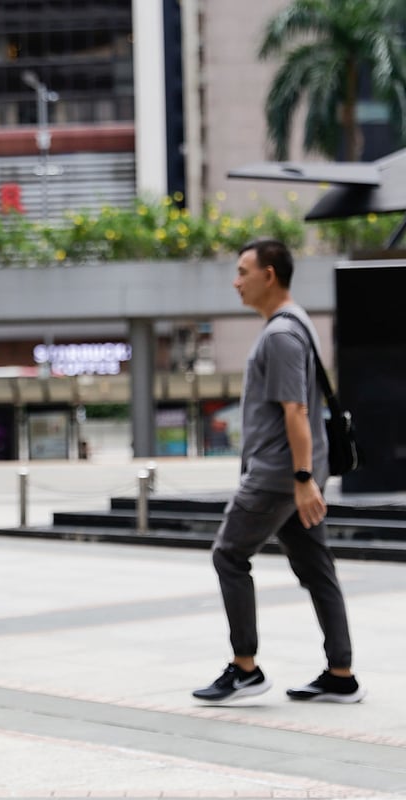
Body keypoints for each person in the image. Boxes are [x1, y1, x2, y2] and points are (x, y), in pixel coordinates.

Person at [193, 239, 365, 704]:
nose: (236, 281)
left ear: (269, 275)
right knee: (316, 569)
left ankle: (245, 667)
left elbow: (296, 410)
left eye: (243, 271)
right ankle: (341, 674)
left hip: (277, 475)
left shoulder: (281, 335)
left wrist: (303, 479)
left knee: (229, 555)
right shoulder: (296, 323)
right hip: (292, 475)